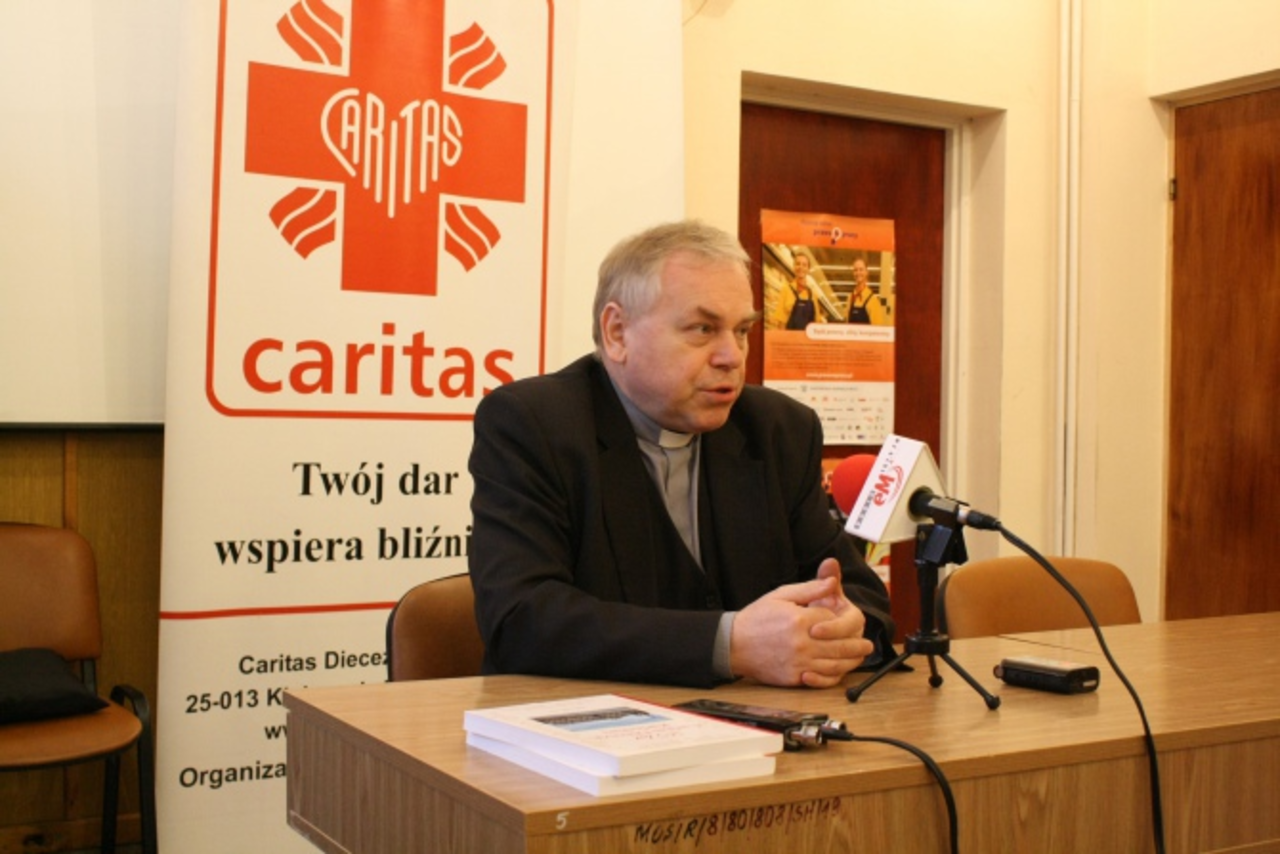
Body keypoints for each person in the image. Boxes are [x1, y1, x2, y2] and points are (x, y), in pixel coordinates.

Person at [468, 220, 894, 689]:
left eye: (742, 330)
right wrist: (729, 644)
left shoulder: (779, 430)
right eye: (703, 329)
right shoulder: (534, 425)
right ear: (617, 333)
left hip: (759, 722)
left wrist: (839, 626)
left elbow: (861, 595)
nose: (732, 356)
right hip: (579, 723)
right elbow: (521, 619)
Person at [778, 251, 822, 329]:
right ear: (794, 267)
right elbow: (781, 321)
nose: (800, 267)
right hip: (789, 336)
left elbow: (817, 322)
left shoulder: (813, 295)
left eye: (804, 265)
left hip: (807, 337)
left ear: (808, 269)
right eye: (798, 264)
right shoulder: (786, 290)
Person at [845, 254, 888, 325]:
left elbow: (878, 328)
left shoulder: (873, 301)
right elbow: (847, 324)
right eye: (855, 270)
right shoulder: (850, 298)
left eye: (861, 269)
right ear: (853, 273)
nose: (858, 273)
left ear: (866, 272)